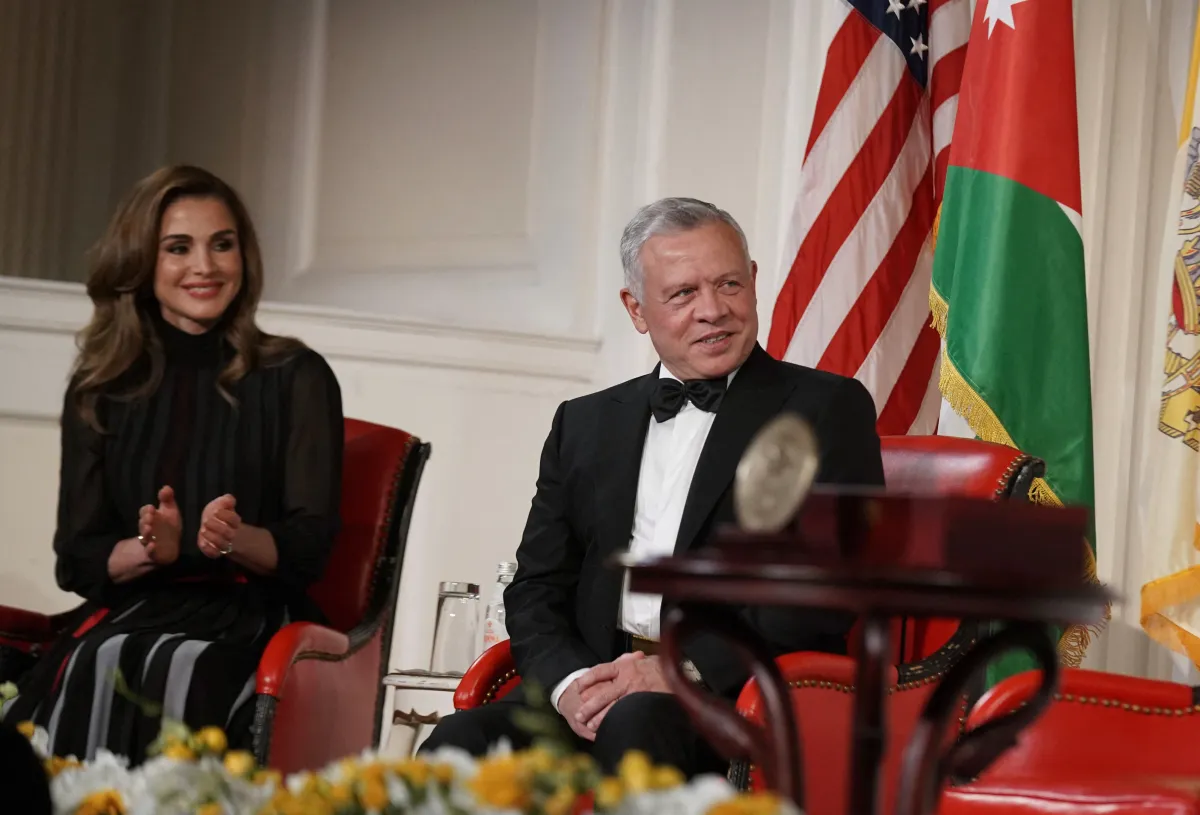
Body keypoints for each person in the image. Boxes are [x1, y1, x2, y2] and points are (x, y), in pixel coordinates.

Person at [421, 197, 884, 776]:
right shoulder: (584, 423)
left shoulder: (825, 409)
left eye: (729, 284)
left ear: (755, 282)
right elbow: (538, 586)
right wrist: (570, 687)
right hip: (589, 694)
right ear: (636, 309)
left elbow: (825, 589)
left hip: (729, 699)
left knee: (637, 725)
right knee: (457, 744)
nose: (713, 310)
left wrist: (679, 668)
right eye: (683, 294)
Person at [0, 165, 344, 764]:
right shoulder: (100, 385)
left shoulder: (296, 376)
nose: (204, 266)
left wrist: (234, 539)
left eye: (222, 244)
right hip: (138, 604)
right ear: (141, 262)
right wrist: (145, 549)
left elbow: (310, 547)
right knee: (99, 656)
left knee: (176, 663)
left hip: (247, 614)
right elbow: (77, 555)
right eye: (178, 247)